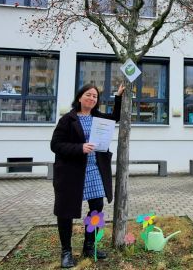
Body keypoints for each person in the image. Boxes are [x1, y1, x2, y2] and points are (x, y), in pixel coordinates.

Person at [50, 83, 125, 268]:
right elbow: (55, 145)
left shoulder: (98, 117)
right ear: (80, 97)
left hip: (94, 170)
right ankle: (66, 251)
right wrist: (79, 148)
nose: (92, 99)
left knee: (97, 208)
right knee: (66, 212)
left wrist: (118, 96)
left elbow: (115, 117)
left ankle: (89, 246)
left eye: (95, 96)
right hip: (71, 172)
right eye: (88, 95)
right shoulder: (68, 119)